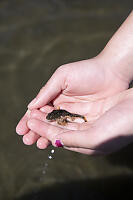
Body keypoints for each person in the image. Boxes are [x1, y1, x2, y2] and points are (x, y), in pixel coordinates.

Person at [16, 11, 133, 155]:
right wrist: (112, 68)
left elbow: (61, 116)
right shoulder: (57, 114)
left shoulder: (61, 115)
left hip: (66, 113)